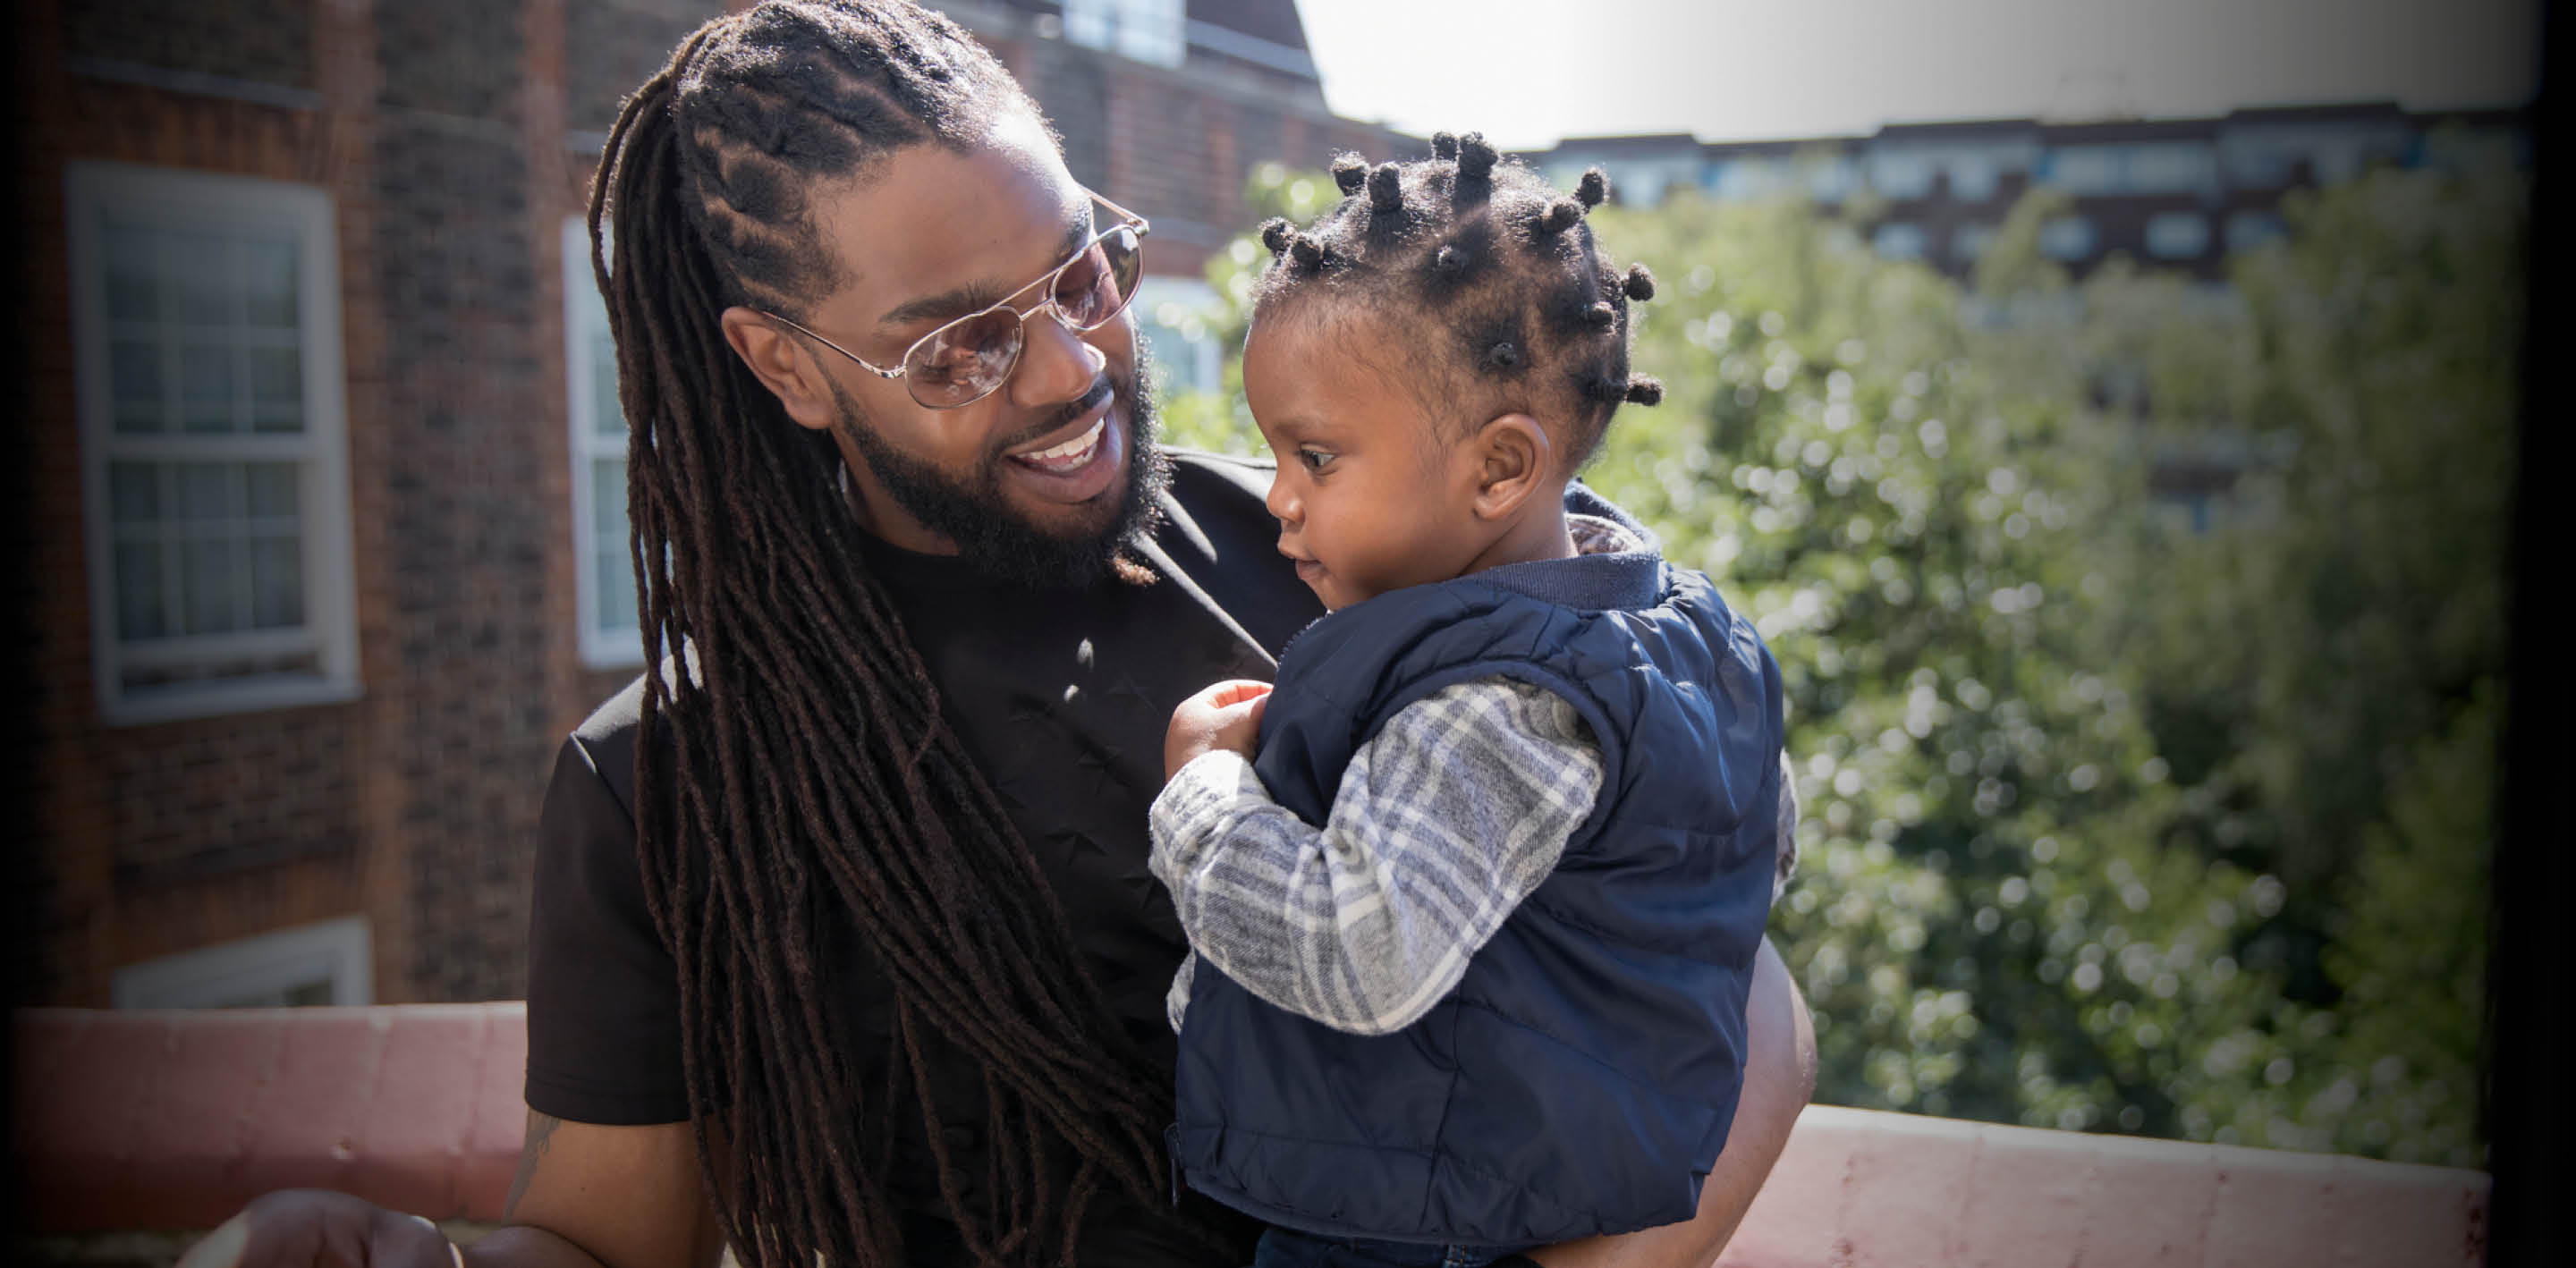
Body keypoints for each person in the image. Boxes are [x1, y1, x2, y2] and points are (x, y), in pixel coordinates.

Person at [176, 4, 1816, 1267]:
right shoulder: (666, 786)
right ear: (786, 364)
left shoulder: (1335, 562)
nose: (1067, 369)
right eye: (958, 345)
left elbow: (1722, 978)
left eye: (1082, 274)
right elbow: (610, 1245)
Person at [1148, 141, 1797, 1268]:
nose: (1280, 500)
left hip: (1414, 1218)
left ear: (1499, 469)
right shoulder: (1679, 634)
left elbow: (1361, 951)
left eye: (1315, 457)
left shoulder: (1488, 705)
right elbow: (1758, 851)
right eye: (1273, 454)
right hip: (1523, 1189)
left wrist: (1201, 792)